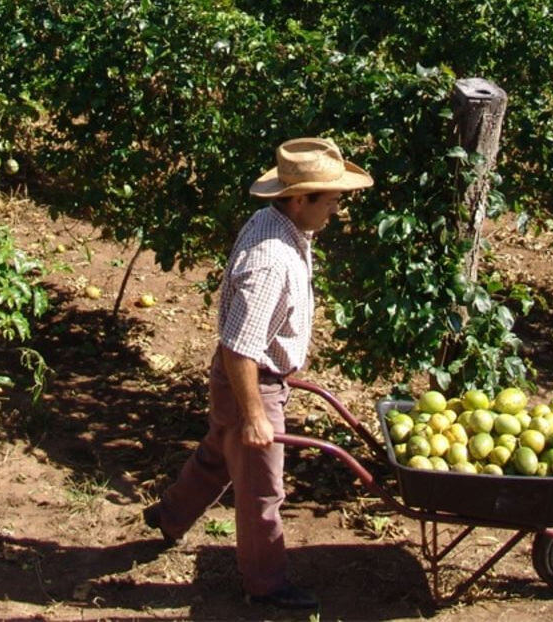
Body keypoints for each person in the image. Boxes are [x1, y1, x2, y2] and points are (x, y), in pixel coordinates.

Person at [142, 137, 373, 610]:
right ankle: (264, 585)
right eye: (331, 201)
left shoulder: (279, 224)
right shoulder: (270, 259)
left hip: (252, 377)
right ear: (300, 199)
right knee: (262, 490)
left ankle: (170, 516)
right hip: (250, 380)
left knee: (218, 454)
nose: (337, 210)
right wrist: (254, 415)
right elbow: (240, 347)